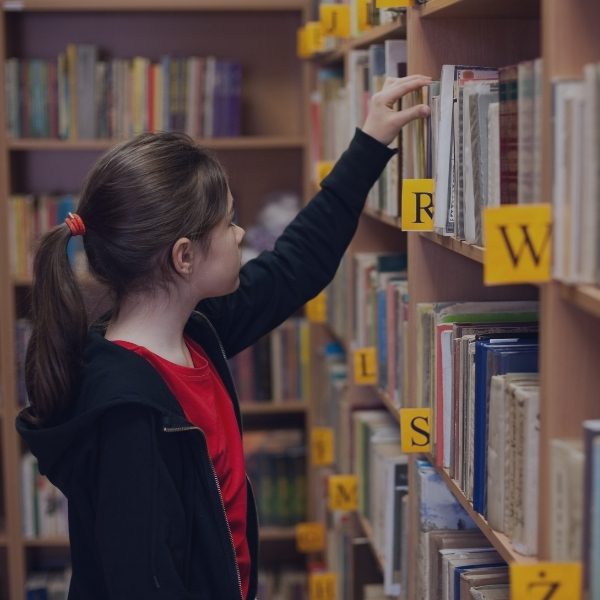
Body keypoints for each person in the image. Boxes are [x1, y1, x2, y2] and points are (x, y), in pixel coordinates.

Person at [16, 74, 431, 600]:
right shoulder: (129, 415)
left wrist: (368, 145)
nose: (240, 234)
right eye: (228, 223)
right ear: (184, 256)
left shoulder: (194, 333)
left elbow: (291, 269)